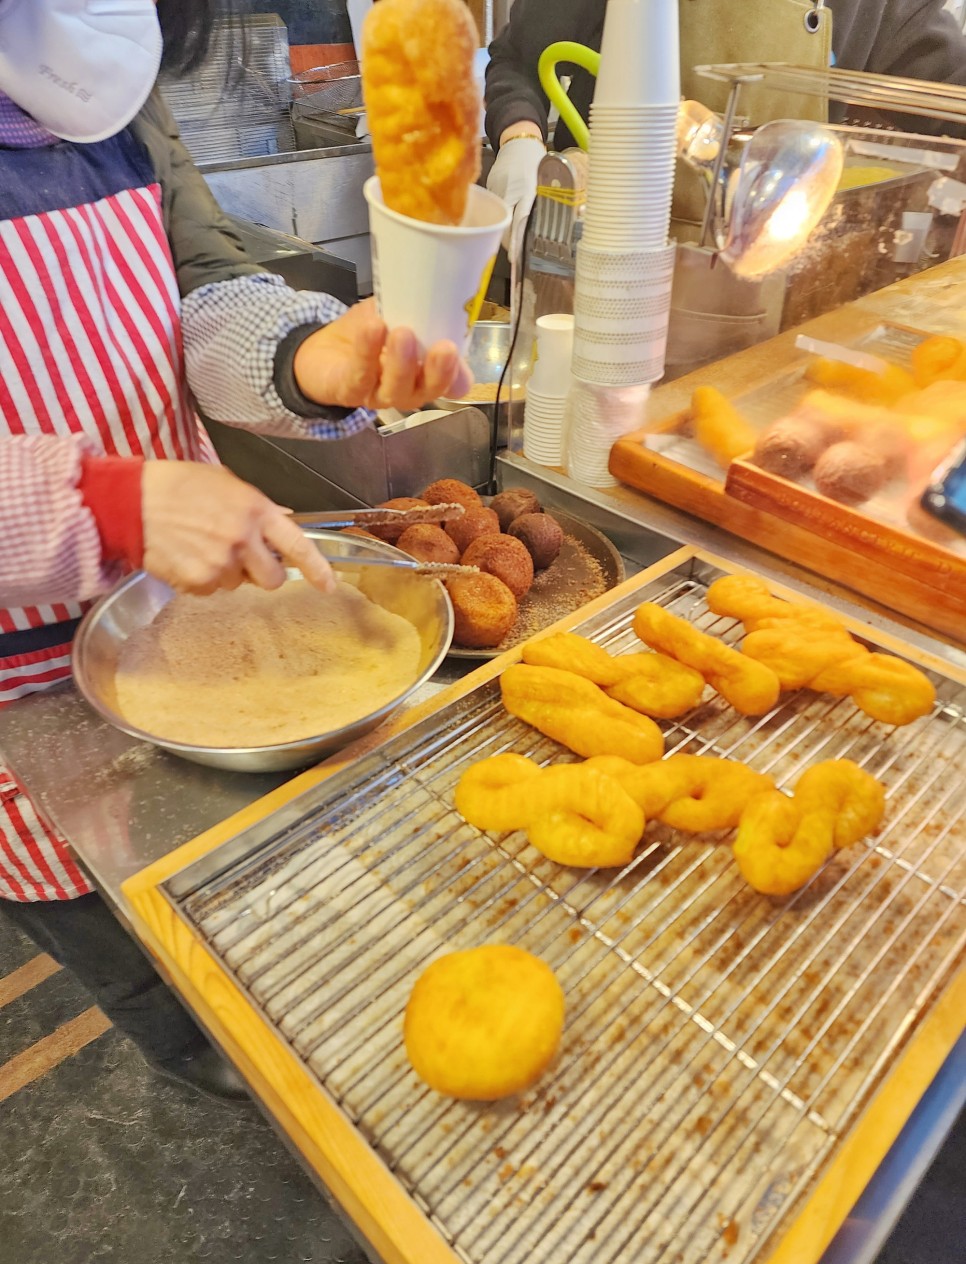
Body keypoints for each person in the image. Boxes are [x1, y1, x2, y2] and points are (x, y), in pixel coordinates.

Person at [0, 0, 470, 1102]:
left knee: (268, 920)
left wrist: (308, 360)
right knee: (159, 975)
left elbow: (199, 291)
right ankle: (221, 1081)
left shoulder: (88, 60)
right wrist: (99, 504)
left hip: (207, 627)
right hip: (27, 730)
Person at [485, 0, 966, 256]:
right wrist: (520, 139)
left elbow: (949, 100)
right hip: (603, 254)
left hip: (777, 273)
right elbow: (517, 61)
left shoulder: (886, 8)